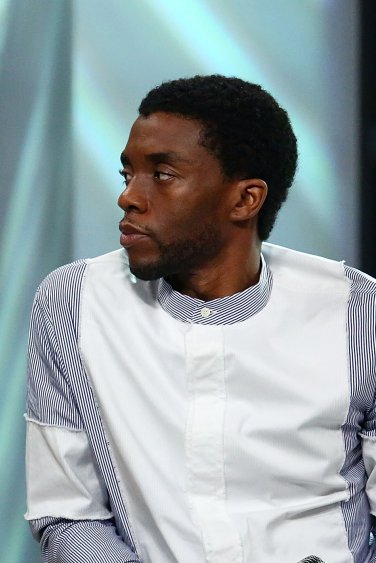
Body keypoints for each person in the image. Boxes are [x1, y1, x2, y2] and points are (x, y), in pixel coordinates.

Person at [23, 74, 376, 562]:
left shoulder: (356, 311)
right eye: (129, 174)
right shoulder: (73, 303)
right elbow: (67, 513)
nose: (129, 197)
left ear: (245, 199)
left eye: (162, 175)